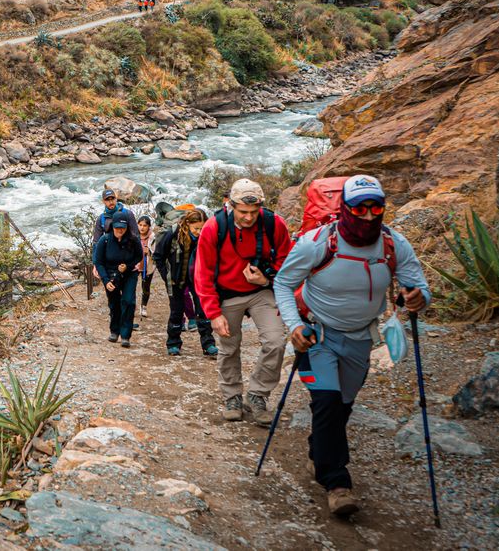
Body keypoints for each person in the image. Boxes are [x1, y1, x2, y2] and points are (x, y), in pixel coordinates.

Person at [273, 175, 430, 517]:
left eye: (376, 208)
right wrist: (295, 326)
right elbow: (283, 283)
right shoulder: (317, 243)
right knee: (327, 401)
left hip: (361, 339)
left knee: (342, 405)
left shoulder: (393, 244)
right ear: (345, 208)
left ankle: (321, 446)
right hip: (317, 337)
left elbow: (417, 285)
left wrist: (417, 298)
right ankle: (336, 482)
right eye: (360, 208)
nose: (369, 216)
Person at [193, 178, 291, 426]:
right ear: (230, 205)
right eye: (243, 212)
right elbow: (202, 273)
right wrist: (213, 314)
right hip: (227, 293)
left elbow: (287, 259)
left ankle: (258, 394)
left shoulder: (273, 223)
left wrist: (267, 278)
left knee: (276, 341)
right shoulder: (215, 227)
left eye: (254, 212)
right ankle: (232, 397)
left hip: (261, 291)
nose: (249, 218)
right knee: (229, 347)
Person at [154, 208, 218, 357]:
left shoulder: (207, 236)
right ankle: (173, 343)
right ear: (187, 224)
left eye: (202, 228)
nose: (199, 232)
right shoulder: (173, 234)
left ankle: (208, 344)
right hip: (176, 279)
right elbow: (158, 256)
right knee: (176, 311)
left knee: (203, 310)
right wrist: (166, 276)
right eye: (196, 228)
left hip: (199, 279)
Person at [93, 212, 143, 346]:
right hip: (110, 275)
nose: (120, 230)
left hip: (129, 274)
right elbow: (98, 262)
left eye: (123, 227)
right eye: (117, 227)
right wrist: (105, 280)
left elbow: (139, 256)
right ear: (112, 226)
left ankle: (125, 335)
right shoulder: (105, 240)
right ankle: (114, 331)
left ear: (127, 227)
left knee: (128, 301)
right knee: (114, 303)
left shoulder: (133, 240)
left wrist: (127, 266)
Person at [137, 215, 156, 319]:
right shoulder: (134, 235)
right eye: (140, 225)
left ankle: (143, 306)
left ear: (149, 226)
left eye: (145, 225)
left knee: (146, 287)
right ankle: (131, 305)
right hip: (135, 264)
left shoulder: (152, 236)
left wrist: (149, 251)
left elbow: (156, 252)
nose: (142, 227)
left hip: (147, 265)